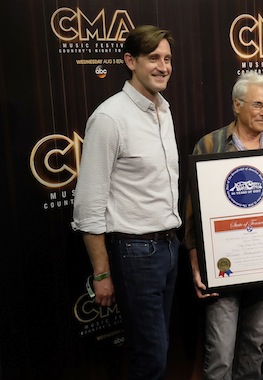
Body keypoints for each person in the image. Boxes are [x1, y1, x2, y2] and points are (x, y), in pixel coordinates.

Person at [71, 25, 181, 380]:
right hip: (135, 252)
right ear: (130, 61)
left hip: (169, 247)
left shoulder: (164, 111)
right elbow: (88, 205)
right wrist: (102, 273)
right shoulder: (109, 118)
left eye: (167, 58)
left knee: (156, 351)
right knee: (150, 359)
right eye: (154, 58)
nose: (163, 66)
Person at [184, 71, 263, 380]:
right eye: (257, 105)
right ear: (237, 105)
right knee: (220, 358)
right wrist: (194, 258)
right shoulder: (210, 144)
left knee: (254, 351)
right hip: (224, 269)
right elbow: (191, 211)